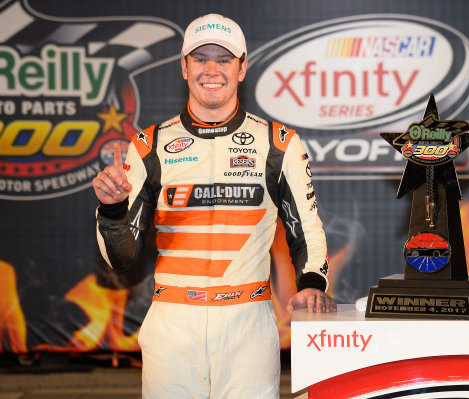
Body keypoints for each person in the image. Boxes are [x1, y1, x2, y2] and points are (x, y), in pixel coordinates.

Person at [92, 13, 336, 399]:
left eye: (223, 59)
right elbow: (121, 258)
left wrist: (310, 284)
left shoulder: (280, 143)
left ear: (242, 68)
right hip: (172, 324)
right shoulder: (147, 146)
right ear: (184, 66)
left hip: (248, 325)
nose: (211, 69)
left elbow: (306, 227)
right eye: (200, 58)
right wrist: (112, 210)